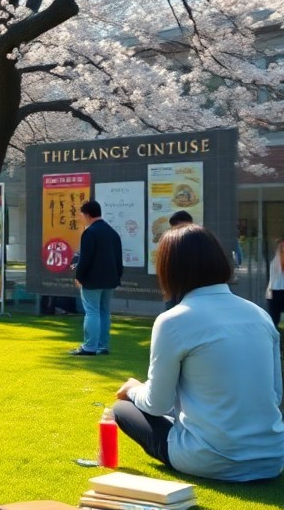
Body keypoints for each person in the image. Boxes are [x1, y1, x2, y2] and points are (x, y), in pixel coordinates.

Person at [113, 225, 284, 482]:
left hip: (212, 459)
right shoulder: (259, 315)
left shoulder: (172, 321)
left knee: (122, 409)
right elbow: (276, 394)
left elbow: (156, 404)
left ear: (169, 270)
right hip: (273, 458)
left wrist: (133, 389)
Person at [69, 200, 123, 356]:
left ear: (87, 214)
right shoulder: (112, 232)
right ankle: (102, 345)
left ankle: (90, 346)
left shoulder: (90, 232)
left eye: (81, 215)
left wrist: (79, 276)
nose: (81, 218)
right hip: (110, 279)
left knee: (92, 312)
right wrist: (117, 276)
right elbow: (119, 258)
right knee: (104, 311)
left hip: (92, 280)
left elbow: (86, 259)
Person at [161, 210, 195, 311]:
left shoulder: (196, 239)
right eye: (174, 226)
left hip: (189, 284)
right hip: (172, 283)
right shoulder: (169, 239)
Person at [268, 235, 284, 328]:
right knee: (274, 320)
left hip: (276, 290)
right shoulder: (276, 260)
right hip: (276, 290)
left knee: (275, 319)